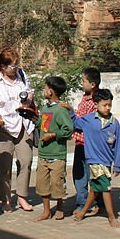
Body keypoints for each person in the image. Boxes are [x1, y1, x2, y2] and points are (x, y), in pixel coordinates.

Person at [0, 47, 36, 212]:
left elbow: (30, 92)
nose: (15, 69)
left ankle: (22, 196)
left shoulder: (22, 76)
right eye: (12, 66)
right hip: (2, 126)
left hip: (23, 123)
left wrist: (28, 99)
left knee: (26, 161)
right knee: (3, 165)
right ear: (2, 67)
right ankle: (5, 199)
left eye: (17, 65)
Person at [72, 88, 120, 228]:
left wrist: (117, 165)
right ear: (96, 104)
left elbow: (118, 145)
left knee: (94, 190)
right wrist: (69, 110)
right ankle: (112, 217)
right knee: (106, 187)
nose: (107, 108)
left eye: (109, 105)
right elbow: (75, 122)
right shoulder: (88, 120)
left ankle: (82, 213)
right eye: (104, 105)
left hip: (107, 161)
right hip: (94, 160)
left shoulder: (114, 123)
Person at [34, 76, 74, 222]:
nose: (44, 91)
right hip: (43, 153)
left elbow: (68, 130)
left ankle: (60, 207)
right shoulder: (45, 108)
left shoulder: (61, 110)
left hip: (57, 154)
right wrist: (32, 117)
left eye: (45, 88)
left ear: (51, 91)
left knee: (57, 183)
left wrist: (53, 135)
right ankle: (46, 211)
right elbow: (42, 125)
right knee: (43, 184)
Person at [71, 67, 101, 216]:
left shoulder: (97, 102)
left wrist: (71, 114)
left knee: (92, 175)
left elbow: (85, 123)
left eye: (84, 81)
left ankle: (93, 202)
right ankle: (82, 202)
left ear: (93, 84)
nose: (82, 84)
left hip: (91, 145)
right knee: (79, 174)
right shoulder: (85, 98)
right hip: (80, 143)